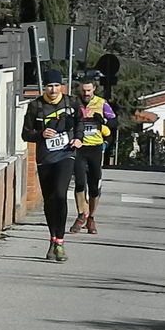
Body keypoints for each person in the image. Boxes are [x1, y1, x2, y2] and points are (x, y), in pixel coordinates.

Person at [22, 69, 84, 261]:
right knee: (49, 200)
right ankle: (52, 239)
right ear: (45, 87)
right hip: (46, 157)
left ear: (62, 86)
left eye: (57, 86)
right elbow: (25, 134)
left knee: (59, 194)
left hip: (66, 154)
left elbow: (80, 122)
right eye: (50, 86)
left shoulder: (71, 102)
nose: (54, 90)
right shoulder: (36, 106)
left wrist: (78, 139)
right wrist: (40, 135)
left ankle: (60, 242)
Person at [69, 79, 116, 235]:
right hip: (79, 147)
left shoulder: (102, 103)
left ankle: (92, 217)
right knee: (80, 183)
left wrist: (102, 122)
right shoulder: (74, 103)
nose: (86, 93)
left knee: (94, 186)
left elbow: (114, 122)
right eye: (83, 90)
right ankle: (81, 215)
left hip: (95, 148)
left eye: (89, 90)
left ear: (94, 89)